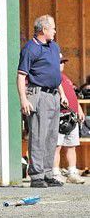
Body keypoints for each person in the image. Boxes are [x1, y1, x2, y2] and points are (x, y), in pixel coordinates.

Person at [17, 14, 68, 188]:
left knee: (52, 136)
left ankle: (47, 173)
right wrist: (23, 98)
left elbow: (56, 73)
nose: (54, 31)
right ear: (44, 30)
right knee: (38, 135)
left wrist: (63, 94)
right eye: (52, 27)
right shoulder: (30, 48)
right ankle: (37, 175)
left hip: (54, 95)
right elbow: (21, 75)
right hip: (38, 95)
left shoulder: (54, 47)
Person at [52, 54, 85, 184]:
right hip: (60, 117)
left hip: (72, 117)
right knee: (57, 146)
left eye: (63, 62)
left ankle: (72, 172)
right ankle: (55, 172)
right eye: (59, 62)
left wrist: (80, 110)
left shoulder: (66, 78)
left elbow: (73, 97)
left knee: (71, 146)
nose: (62, 64)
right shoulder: (52, 78)